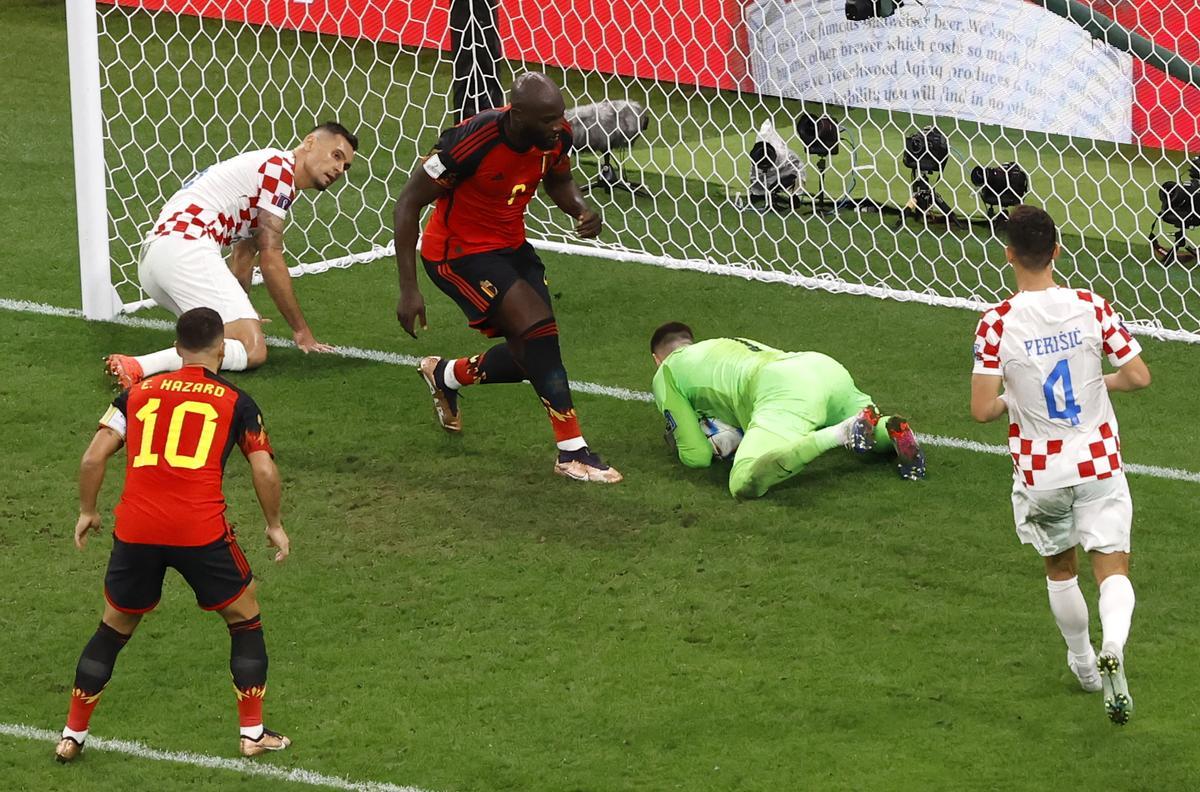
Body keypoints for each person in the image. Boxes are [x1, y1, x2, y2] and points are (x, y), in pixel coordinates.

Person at [57, 308, 292, 762]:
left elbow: (92, 459)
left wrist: (88, 510)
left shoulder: (137, 393)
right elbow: (263, 467)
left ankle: (72, 735)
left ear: (178, 348)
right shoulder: (236, 401)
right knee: (244, 618)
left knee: (112, 628)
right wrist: (275, 525)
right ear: (221, 348)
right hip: (199, 530)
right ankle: (252, 733)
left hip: (137, 529)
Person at [392, 72, 621, 484]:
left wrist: (581, 210)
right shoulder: (469, 141)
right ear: (518, 116)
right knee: (540, 332)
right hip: (456, 254)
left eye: (561, 116)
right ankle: (572, 452)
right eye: (549, 118)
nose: (560, 125)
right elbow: (407, 205)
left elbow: (559, 179)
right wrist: (409, 288)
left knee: (527, 355)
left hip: (511, 248)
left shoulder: (557, 136)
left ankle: (444, 374)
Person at [970, 205, 1150, 725]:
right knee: (1111, 564)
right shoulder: (1092, 307)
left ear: (1009, 254)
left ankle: (1084, 663)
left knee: (1060, 568)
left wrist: (1011, 399)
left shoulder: (996, 323)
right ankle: (1114, 642)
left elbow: (983, 409)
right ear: (1057, 250)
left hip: (1040, 472)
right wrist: (1101, 383)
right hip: (1097, 462)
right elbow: (1138, 376)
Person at [104, 122, 359, 389]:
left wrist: (242, 308)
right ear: (309, 143)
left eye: (346, 166)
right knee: (253, 350)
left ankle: (149, 364)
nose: (339, 169)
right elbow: (271, 258)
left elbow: (245, 252)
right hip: (185, 249)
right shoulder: (279, 170)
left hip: (155, 262)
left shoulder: (269, 170)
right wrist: (302, 332)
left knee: (224, 340)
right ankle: (140, 365)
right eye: (336, 156)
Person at [649, 322, 926, 499]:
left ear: (656, 359)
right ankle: (889, 428)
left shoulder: (668, 371)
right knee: (868, 426)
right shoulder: (722, 342)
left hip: (783, 389)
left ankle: (838, 433)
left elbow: (696, 456)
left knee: (742, 482)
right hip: (822, 368)